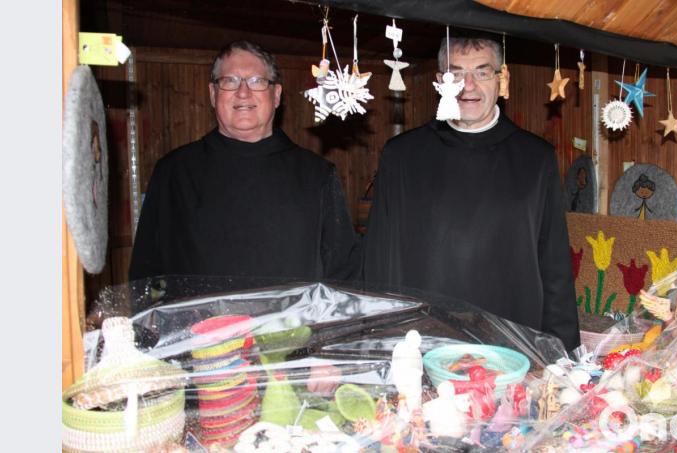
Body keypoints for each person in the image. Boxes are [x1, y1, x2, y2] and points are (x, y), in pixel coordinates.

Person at [363, 34, 580, 352]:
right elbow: (381, 258)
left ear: (501, 79)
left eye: (482, 72)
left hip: (512, 339)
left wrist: (562, 350)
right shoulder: (403, 155)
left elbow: (553, 261)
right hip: (425, 338)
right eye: (455, 74)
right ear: (439, 81)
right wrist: (381, 340)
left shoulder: (535, 158)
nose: (468, 87)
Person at [129, 40, 360, 282]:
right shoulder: (173, 172)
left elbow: (344, 272)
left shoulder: (317, 175)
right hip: (201, 320)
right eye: (230, 81)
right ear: (212, 94)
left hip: (294, 321)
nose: (243, 92)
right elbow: (145, 273)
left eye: (256, 81)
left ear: (277, 95)